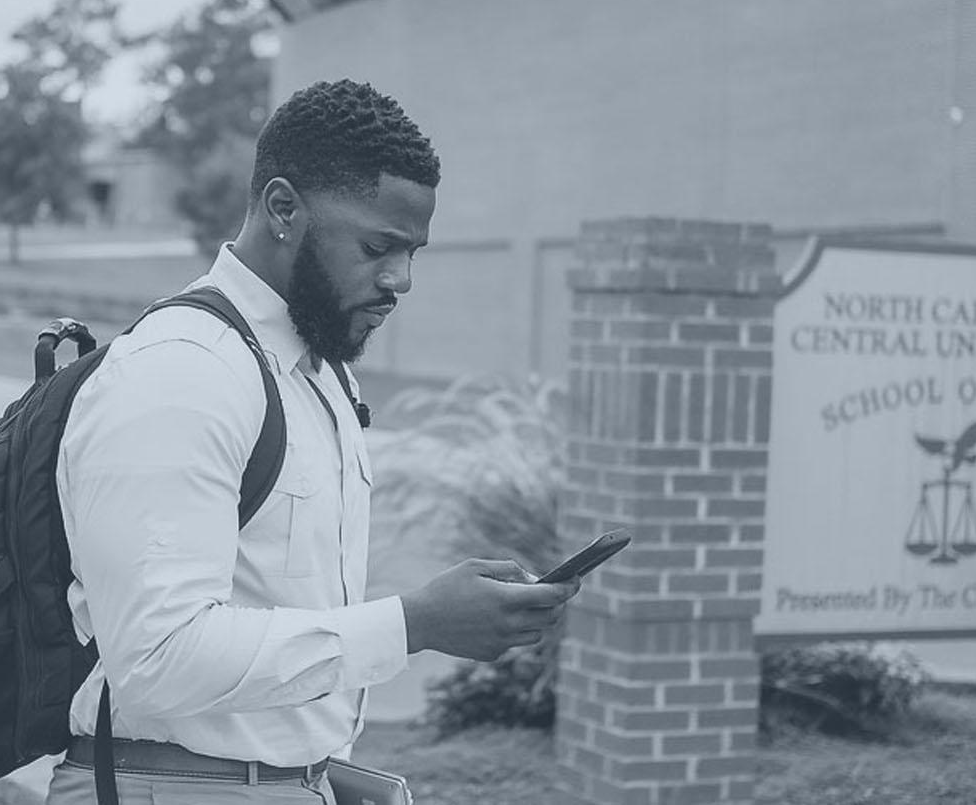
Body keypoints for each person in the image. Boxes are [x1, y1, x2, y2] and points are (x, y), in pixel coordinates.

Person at [49, 79, 580, 805]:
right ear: (283, 208)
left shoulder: (321, 376)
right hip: (167, 787)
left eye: (412, 252)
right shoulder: (181, 372)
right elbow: (157, 656)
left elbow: (277, 619)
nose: (400, 279)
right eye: (377, 247)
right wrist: (416, 623)